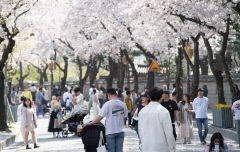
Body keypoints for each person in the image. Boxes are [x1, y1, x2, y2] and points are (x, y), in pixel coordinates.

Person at [85, 88, 128, 152]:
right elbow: (124, 118)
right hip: (120, 131)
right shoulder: (123, 104)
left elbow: (99, 117)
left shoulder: (107, 104)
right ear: (116, 94)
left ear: (108, 95)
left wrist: (90, 123)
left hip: (110, 132)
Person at [139, 87, 176, 152]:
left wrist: (141, 145)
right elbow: (169, 132)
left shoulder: (142, 111)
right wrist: (172, 148)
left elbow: (140, 131)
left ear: (149, 97)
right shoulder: (164, 111)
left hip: (146, 146)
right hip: (161, 147)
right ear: (161, 96)